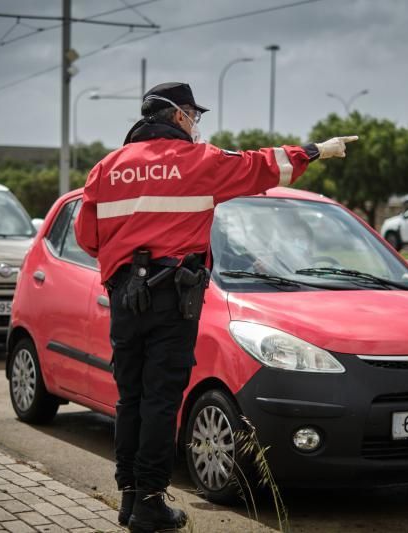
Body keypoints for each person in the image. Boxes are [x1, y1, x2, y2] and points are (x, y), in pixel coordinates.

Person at [75, 81, 356, 533]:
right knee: (162, 400)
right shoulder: (199, 163)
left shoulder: (107, 168)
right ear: (176, 116)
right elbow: (264, 166)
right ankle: (149, 501)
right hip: (171, 299)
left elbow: (88, 238)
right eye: (193, 114)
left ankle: (128, 496)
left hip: (125, 298)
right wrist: (315, 150)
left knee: (131, 398)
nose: (196, 123)